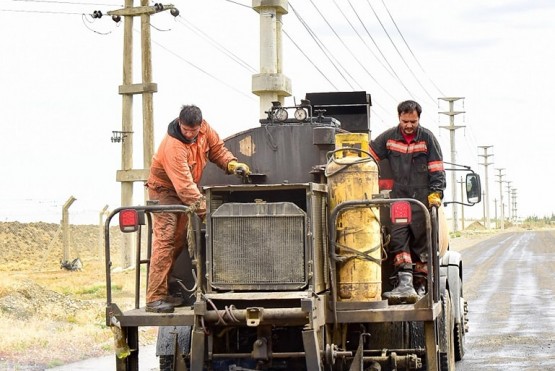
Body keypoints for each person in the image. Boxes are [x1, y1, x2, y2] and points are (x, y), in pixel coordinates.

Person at [145, 104, 250, 313]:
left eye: (193, 130)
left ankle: (168, 288)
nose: (190, 134)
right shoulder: (173, 147)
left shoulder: (204, 130)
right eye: (186, 130)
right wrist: (206, 214)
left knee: (177, 240)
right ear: (179, 123)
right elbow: (184, 188)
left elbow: (217, 150)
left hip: (184, 190)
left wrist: (231, 164)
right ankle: (154, 298)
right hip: (164, 191)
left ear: (200, 124)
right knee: (165, 239)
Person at [369, 100, 446, 304]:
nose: (409, 125)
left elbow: (437, 168)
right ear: (399, 118)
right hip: (400, 198)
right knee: (398, 237)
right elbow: (369, 155)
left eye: (413, 121)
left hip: (422, 199)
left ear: (419, 118)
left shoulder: (427, 138)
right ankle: (405, 283)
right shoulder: (388, 138)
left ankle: (421, 285)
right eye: (405, 121)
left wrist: (436, 194)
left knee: (423, 242)